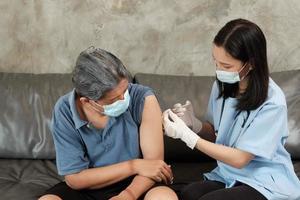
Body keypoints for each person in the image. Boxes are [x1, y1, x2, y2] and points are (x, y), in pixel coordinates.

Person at [163, 19, 300, 200]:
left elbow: (240, 159)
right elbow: (216, 134)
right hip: (230, 173)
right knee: (190, 194)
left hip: (264, 178)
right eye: (216, 62)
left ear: (251, 63)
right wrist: (194, 124)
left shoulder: (273, 102)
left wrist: (189, 137)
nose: (219, 70)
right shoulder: (221, 86)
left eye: (226, 66)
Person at [39, 47, 178, 200]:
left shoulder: (143, 98)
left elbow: (153, 166)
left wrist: (127, 195)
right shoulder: (65, 109)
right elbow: (74, 179)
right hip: (91, 186)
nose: (124, 100)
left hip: (138, 183)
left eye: (124, 91)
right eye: (113, 100)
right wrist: (134, 165)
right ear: (87, 101)